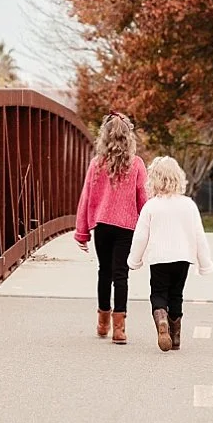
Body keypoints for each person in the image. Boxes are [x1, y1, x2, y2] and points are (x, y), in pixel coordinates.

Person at [74, 113, 148, 344]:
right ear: (129, 136)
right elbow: (143, 199)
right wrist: (148, 230)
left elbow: (86, 198)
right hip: (127, 226)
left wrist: (82, 231)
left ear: (104, 136)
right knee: (121, 275)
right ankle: (119, 329)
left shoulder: (97, 164)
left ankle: (102, 322)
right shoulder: (136, 164)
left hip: (102, 225)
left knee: (104, 272)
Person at [130, 155, 213, 351]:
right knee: (176, 294)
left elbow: (141, 236)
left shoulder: (151, 206)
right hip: (183, 258)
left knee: (159, 293)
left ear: (154, 179)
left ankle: (161, 320)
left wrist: (134, 261)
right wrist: (205, 264)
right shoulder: (188, 205)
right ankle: (175, 336)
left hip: (159, 258)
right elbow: (198, 236)